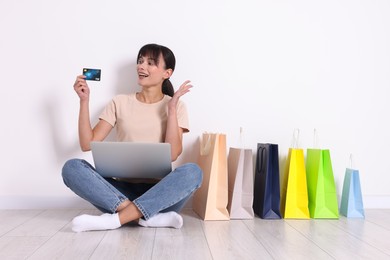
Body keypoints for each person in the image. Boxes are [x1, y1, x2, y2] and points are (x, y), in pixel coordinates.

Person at [62, 43, 203, 232]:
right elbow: (87, 144)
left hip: (160, 193)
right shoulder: (119, 102)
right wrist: (84, 101)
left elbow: (173, 153)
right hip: (118, 192)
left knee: (193, 172)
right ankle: (147, 217)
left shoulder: (176, 106)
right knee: (71, 168)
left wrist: (170, 109)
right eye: (140, 61)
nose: (141, 66)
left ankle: (114, 220)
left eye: (150, 63)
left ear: (167, 73)